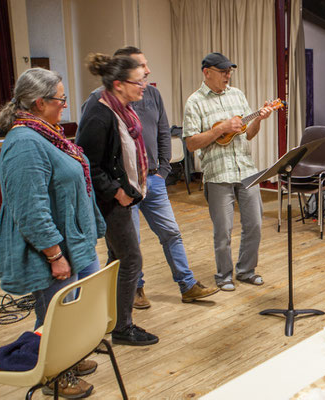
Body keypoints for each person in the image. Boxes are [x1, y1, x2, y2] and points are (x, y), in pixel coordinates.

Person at [0, 68, 104, 398]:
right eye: (60, 99)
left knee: (74, 313)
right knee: (54, 316)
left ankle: (69, 357)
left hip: (75, 244)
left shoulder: (46, 133)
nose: (65, 105)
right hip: (53, 251)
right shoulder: (24, 143)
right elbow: (31, 210)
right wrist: (54, 255)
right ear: (40, 102)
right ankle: (57, 375)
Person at [82, 46, 219, 308]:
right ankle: (135, 289)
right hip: (124, 187)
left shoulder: (152, 94)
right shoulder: (98, 101)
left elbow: (163, 132)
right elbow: (91, 154)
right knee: (130, 243)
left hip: (153, 179)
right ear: (124, 74)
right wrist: (115, 189)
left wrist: (164, 167)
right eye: (142, 66)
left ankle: (187, 285)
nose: (148, 70)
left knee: (171, 232)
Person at [76, 53, 159, 346]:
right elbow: (87, 162)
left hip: (125, 197)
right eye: (139, 81)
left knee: (116, 259)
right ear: (120, 84)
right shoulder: (99, 114)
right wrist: (117, 191)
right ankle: (123, 327)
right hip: (111, 202)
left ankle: (111, 317)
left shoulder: (122, 109)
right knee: (130, 258)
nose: (144, 86)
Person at [182, 52, 274, 291]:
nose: (227, 75)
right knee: (223, 231)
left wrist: (260, 119)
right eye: (223, 71)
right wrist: (220, 128)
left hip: (246, 170)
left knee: (254, 224)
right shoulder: (195, 102)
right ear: (207, 72)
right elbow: (191, 143)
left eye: (229, 71)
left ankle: (246, 271)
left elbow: (249, 133)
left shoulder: (238, 95)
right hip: (217, 174)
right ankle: (223, 275)